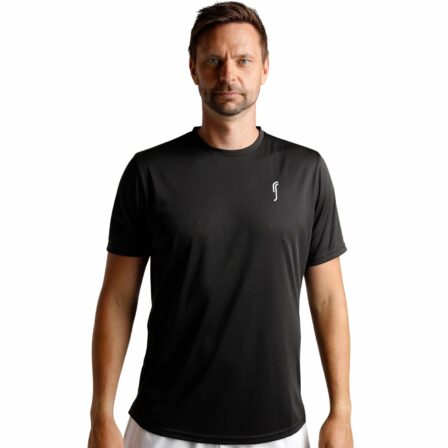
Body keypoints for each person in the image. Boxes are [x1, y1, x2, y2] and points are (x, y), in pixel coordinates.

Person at [88, 2, 354, 448]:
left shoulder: (305, 172)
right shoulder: (150, 172)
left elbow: (328, 298)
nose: (228, 74)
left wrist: (341, 413)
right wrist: (101, 414)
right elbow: (117, 298)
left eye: (243, 60)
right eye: (213, 60)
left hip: (277, 431)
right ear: (193, 68)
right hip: (162, 431)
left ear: (265, 67)